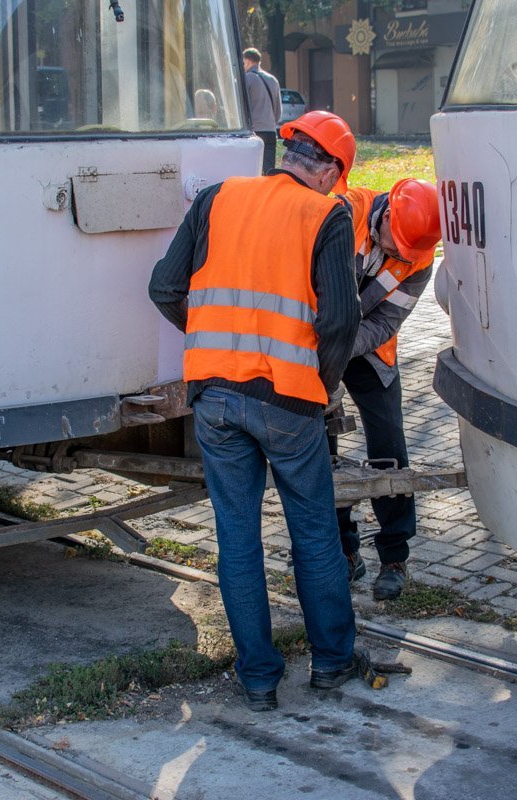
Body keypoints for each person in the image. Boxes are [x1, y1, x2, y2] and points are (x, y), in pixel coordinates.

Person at [148, 111, 366, 711]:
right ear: (328, 170)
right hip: (289, 402)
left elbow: (165, 288)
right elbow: (341, 322)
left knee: (237, 538)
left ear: (289, 151)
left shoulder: (218, 197)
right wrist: (315, 388)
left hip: (214, 398)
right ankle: (331, 661)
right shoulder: (327, 213)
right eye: (337, 178)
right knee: (315, 533)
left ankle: (259, 679)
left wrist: (213, 342)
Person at [332, 178, 442, 601]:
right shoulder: (345, 214)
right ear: (387, 213)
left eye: (407, 253)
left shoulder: (420, 257)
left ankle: (394, 556)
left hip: (369, 350)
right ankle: (343, 551)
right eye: (396, 245)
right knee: (322, 449)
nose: (400, 256)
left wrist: (343, 346)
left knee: (389, 450)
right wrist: (323, 348)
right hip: (314, 341)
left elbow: (385, 323)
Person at [242, 48, 282, 174]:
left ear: (248, 61)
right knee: (269, 171)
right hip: (270, 131)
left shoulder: (247, 78)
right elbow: (278, 110)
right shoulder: (273, 80)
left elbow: (243, 107)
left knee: (253, 171)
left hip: (254, 132)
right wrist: (271, 123)